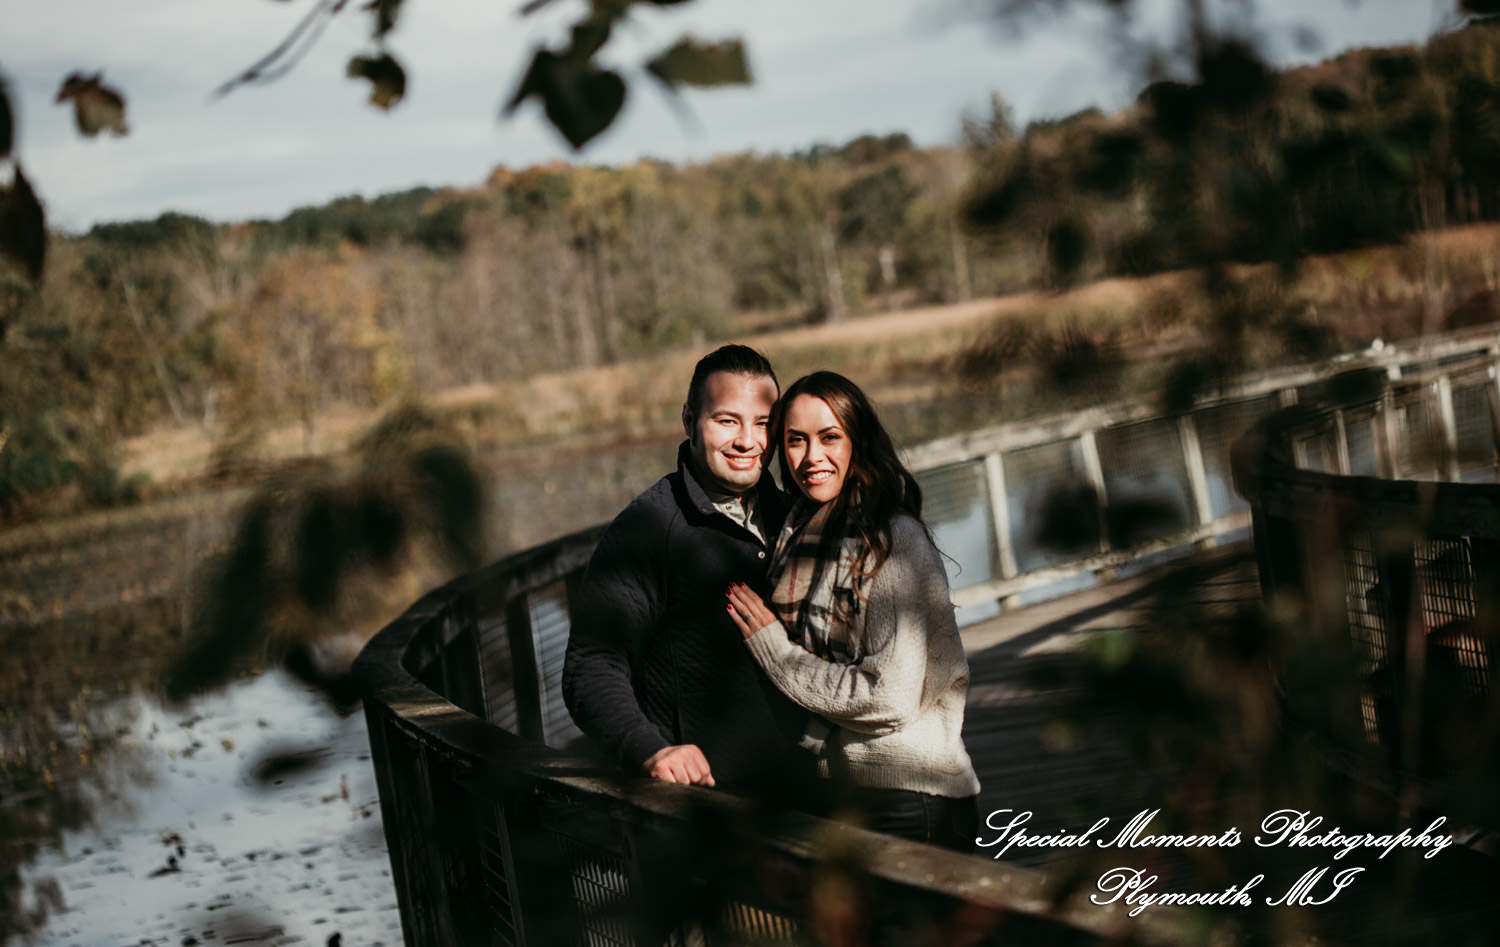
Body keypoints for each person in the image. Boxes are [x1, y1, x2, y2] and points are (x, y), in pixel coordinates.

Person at [725, 370, 980, 852]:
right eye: (796, 440)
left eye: (829, 437)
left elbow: (889, 697)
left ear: (857, 442)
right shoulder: (800, 532)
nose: (811, 457)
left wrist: (777, 654)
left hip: (911, 798)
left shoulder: (892, 540)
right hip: (841, 792)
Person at [563, 344, 810, 793]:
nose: (748, 441)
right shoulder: (647, 529)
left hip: (814, 788)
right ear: (689, 420)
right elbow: (592, 666)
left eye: (762, 423)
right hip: (713, 804)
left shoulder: (796, 513)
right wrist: (650, 750)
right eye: (726, 421)